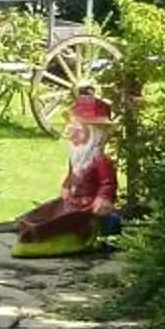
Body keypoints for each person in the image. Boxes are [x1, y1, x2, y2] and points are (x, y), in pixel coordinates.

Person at [13, 90, 122, 256]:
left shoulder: (100, 161)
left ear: (93, 133)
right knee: (47, 212)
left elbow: (107, 183)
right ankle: (35, 232)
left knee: (79, 221)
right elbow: (72, 175)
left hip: (89, 207)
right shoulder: (77, 158)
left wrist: (103, 198)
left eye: (78, 129)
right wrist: (66, 186)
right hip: (73, 202)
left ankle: (88, 236)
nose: (71, 134)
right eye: (70, 127)